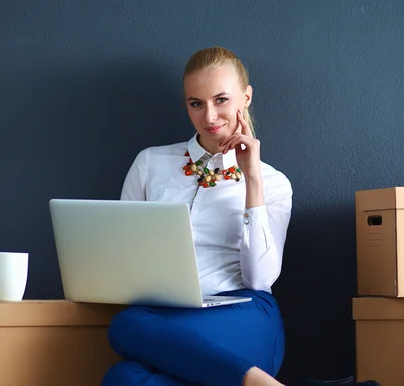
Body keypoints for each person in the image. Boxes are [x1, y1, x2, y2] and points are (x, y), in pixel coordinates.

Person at [101, 46, 293, 386]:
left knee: (125, 333)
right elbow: (124, 256)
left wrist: (252, 179)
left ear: (245, 98)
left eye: (221, 100)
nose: (210, 117)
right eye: (196, 103)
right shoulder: (150, 163)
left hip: (245, 313)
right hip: (167, 315)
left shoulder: (273, 182)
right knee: (124, 374)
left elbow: (260, 278)